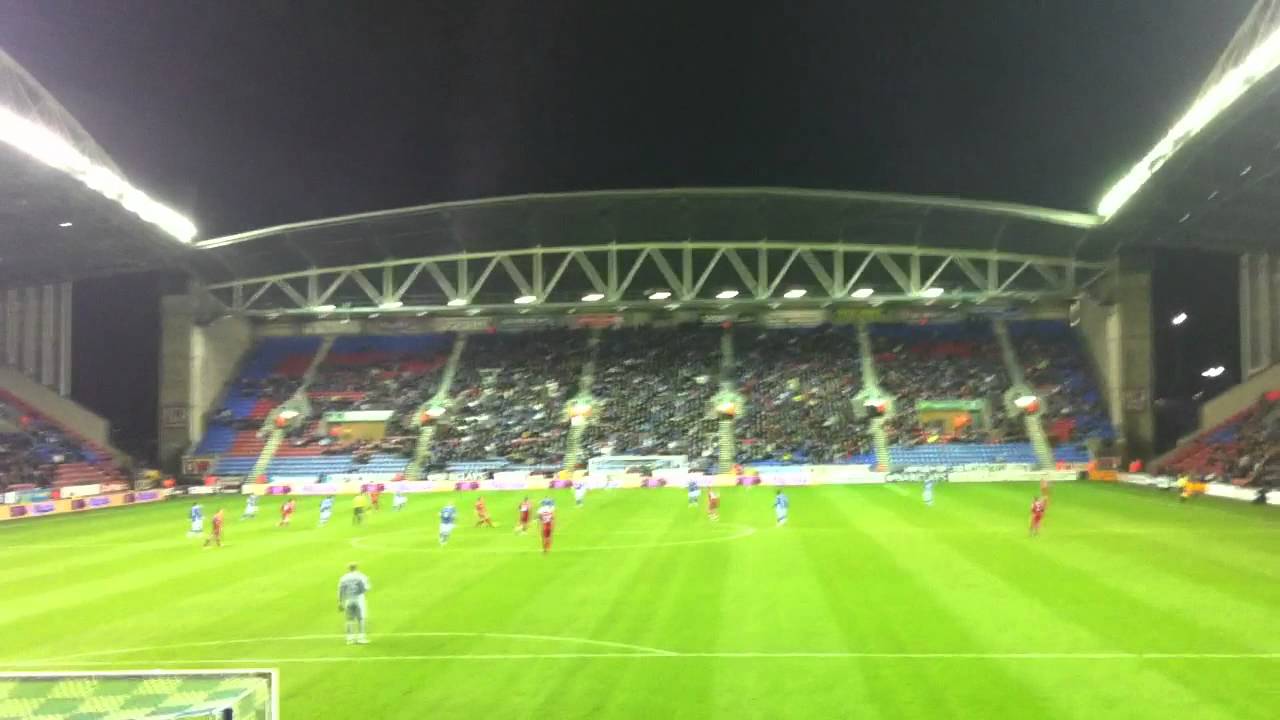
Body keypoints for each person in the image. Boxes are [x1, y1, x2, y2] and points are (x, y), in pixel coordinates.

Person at [337, 562, 371, 645]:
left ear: (348, 568)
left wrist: (340, 602)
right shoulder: (361, 576)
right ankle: (361, 638)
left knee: (349, 619)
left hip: (348, 600)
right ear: (356, 568)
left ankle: (350, 639)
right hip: (359, 599)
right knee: (361, 618)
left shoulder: (343, 578)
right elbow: (366, 588)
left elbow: (340, 591)